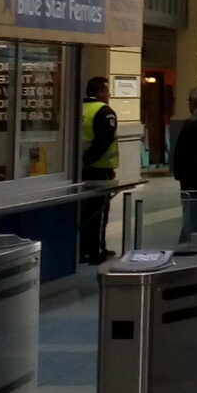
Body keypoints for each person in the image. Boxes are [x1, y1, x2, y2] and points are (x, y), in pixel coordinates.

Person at [78, 76, 119, 265]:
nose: (109, 94)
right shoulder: (104, 111)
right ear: (100, 91)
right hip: (99, 169)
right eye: (107, 90)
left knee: (83, 211)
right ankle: (96, 250)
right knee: (99, 213)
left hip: (80, 170)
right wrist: (89, 161)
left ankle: (81, 249)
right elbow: (103, 142)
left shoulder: (80, 109)